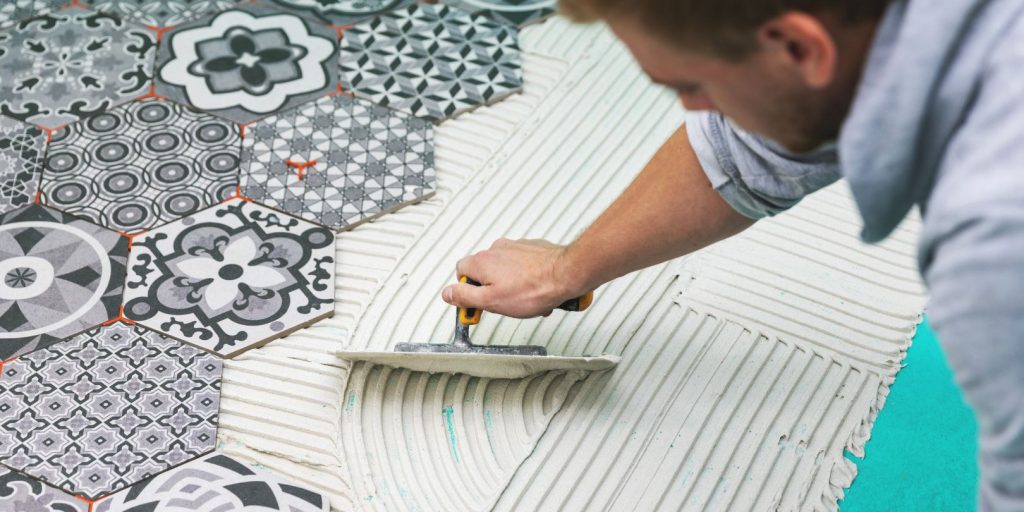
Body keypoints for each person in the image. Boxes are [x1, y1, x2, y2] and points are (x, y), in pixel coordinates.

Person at [440, 0, 1024, 509]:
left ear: (798, 47)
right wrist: (564, 269)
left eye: (694, 85)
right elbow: (750, 148)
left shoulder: (995, 252)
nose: (697, 110)